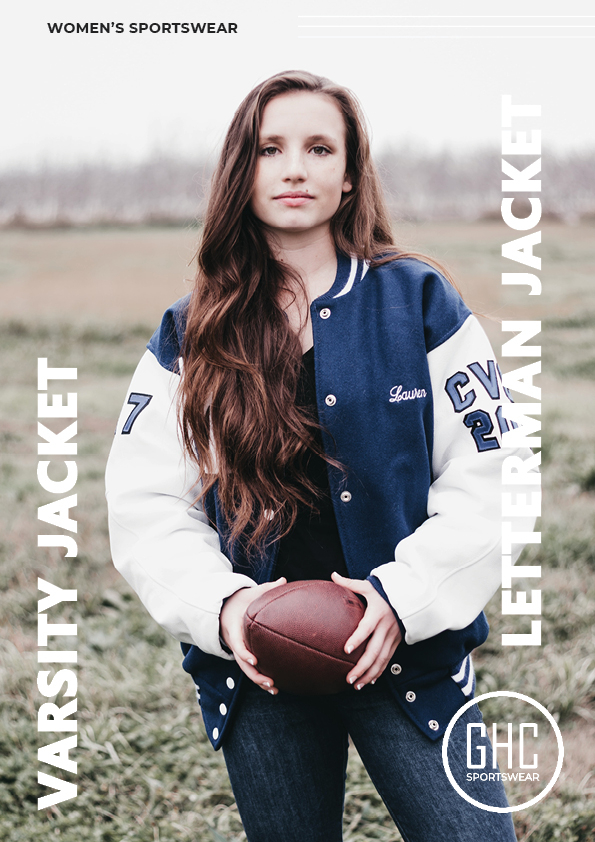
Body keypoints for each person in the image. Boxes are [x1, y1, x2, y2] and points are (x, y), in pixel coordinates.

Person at [105, 70, 534, 841]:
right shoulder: (190, 331)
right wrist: (226, 608)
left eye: (318, 147)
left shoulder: (420, 301)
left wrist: (403, 599)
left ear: (347, 175)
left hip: (409, 655)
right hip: (259, 664)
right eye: (270, 148)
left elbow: (492, 476)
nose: (294, 167)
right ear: (243, 170)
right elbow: (146, 505)